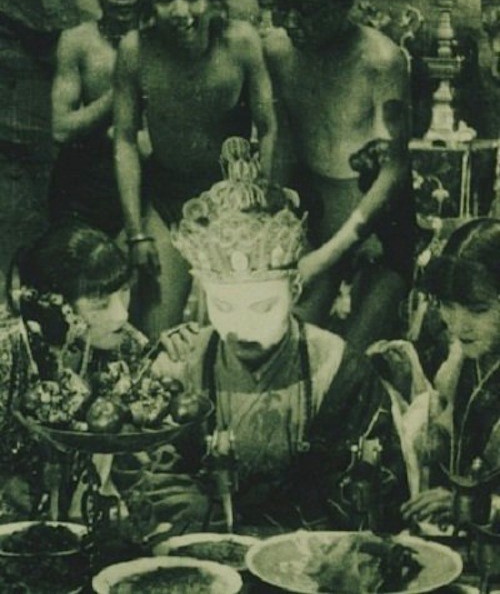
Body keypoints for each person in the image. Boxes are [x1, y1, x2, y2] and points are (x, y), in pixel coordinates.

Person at [122, 137, 409, 534]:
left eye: (262, 307)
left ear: (294, 291)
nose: (241, 327)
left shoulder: (337, 369)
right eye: (223, 307)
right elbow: (144, 476)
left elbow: (372, 499)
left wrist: (231, 518)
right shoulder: (181, 363)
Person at [114, 0, 277, 337]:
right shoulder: (136, 50)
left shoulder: (240, 43)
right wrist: (136, 232)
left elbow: (270, 128)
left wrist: (260, 209)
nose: (180, 11)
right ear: (149, 2)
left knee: (237, 331)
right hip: (167, 201)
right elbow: (125, 140)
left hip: (234, 202)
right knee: (157, 336)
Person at [264, 0, 415, 348]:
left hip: (377, 217)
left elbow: (393, 169)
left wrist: (329, 255)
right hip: (313, 209)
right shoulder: (276, 51)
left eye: (306, 10)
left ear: (344, 4)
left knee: (355, 357)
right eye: (283, 6)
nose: (291, 22)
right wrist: (276, 224)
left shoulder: (381, 61)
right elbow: (283, 144)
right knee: (287, 343)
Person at [0, 223, 194, 520]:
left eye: (124, 292)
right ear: (56, 307)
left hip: (85, 509)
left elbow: (144, 410)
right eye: (101, 304)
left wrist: (168, 356)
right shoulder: (7, 348)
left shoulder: (123, 340)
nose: (121, 314)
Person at [50, 0, 154, 237]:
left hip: (151, 182)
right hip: (86, 187)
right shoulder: (77, 42)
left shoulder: (162, 42)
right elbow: (60, 129)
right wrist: (120, 91)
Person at [400, 218, 500, 525]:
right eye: (447, 305)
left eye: (478, 310)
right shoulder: (466, 357)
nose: (459, 325)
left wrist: (475, 505)